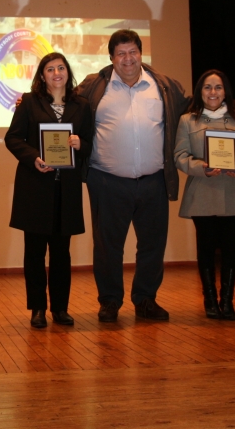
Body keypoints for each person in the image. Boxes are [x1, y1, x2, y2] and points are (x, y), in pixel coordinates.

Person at [76, 29, 189, 322]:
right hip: (106, 180)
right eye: (121, 54)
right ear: (111, 58)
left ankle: (146, 299)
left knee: (152, 245)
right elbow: (61, 106)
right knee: (107, 247)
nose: (128, 59)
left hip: (153, 180)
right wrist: (29, 103)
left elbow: (192, 109)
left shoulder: (163, 86)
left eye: (133, 52)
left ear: (141, 53)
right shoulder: (95, 86)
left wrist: (231, 110)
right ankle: (110, 301)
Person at [6, 53, 93, 328]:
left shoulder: (82, 105)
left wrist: (80, 144)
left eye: (61, 68)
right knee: (34, 252)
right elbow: (13, 138)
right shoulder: (29, 102)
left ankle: (60, 308)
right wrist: (33, 157)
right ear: (42, 76)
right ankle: (38, 309)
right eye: (50, 69)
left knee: (61, 253)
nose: (57, 73)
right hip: (35, 188)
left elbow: (91, 144)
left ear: (68, 72)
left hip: (66, 191)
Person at [174, 70, 235, 320]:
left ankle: (228, 301)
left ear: (225, 92)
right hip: (202, 191)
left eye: (218, 87)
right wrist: (202, 167)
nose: (213, 92)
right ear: (200, 92)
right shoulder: (187, 121)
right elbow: (180, 156)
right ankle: (210, 300)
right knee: (206, 249)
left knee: (231, 250)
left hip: (233, 192)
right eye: (207, 87)